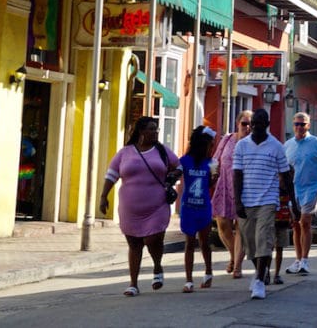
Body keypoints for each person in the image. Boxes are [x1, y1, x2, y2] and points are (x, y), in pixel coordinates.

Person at [99, 115, 182, 297]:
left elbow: (179, 166)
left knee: (153, 239)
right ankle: (133, 284)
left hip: (157, 205)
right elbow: (112, 174)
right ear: (141, 131)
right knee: (134, 243)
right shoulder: (125, 152)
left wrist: (172, 177)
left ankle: (157, 267)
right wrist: (104, 196)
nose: (155, 132)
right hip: (130, 207)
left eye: (156, 129)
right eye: (151, 129)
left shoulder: (162, 151)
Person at [233, 108, 294, 300]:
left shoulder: (276, 146)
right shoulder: (241, 146)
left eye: (260, 124)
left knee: (264, 239)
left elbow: (286, 176)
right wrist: (237, 202)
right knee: (250, 244)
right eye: (254, 124)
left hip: (268, 200)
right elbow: (237, 174)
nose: (256, 127)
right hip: (247, 200)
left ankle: (259, 281)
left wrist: (295, 204)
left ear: (267, 125)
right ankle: (263, 269)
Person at [283, 111, 317, 276]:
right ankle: (297, 259)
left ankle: (305, 260)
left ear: (308, 125)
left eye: (302, 124)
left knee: (305, 221)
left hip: (313, 187)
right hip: (294, 189)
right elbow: (282, 169)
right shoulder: (288, 145)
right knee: (296, 224)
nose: (299, 127)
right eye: (296, 124)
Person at [211, 110, 252, 278]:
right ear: (238, 123)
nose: (247, 127)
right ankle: (233, 256)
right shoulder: (227, 139)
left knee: (240, 227)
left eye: (251, 124)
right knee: (222, 224)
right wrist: (211, 176)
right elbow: (215, 159)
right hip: (224, 185)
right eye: (244, 123)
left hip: (245, 188)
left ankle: (237, 266)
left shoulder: (253, 143)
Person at [180, 126, 217, 293]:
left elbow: (209, 184)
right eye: (210, 144)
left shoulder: (211, 163)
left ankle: (208, 272)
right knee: (189, 243)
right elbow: (177, 174)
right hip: (188, 207)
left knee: (204, 242)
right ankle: (188, 280)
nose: (212, 148)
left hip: (204, 207)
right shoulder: (185, 161)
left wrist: (214, 178)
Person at [270, 189, 292, 285]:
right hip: (270, 219)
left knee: (279, 248)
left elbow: (291, 201)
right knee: (268, 248)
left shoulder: (288, 183)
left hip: (283, 219)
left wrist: (291, 213)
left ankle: (276, 274)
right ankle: (266, 273)